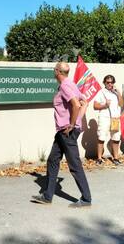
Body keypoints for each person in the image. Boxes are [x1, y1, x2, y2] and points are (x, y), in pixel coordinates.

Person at [31, 62, 91, 208]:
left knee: (74, 164)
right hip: (62, 132)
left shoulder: (65, 86)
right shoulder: (71, 84)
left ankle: (86, 198)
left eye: (54, 69)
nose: (54, 71)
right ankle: (47, 196)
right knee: (52, 160)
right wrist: (77, 121)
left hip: (67, 132)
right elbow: (85, 102)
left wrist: (72, 124)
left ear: (57, 71)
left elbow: (77, 104)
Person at [93, 75, 124, 165]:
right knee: (101, 137)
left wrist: (118, 92)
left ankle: (116, 158)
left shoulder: (116, 93)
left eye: (111, 82)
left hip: (115, 118)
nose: (110, 84)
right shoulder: (101, 92)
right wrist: (104, 106)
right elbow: (95, 106)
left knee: (116, 138)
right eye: (108, 82)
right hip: (104, 117)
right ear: (104, 83)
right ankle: (99, 158)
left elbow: (121, 104)